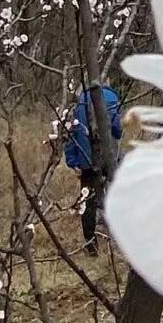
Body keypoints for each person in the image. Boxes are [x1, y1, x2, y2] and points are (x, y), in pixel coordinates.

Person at [64, 85, 122, 255]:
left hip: (87, 158)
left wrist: (72, 160)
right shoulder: (112, 98)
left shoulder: (80, 102)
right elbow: (118, 131)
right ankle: (118, 241)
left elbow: (72, 132)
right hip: (110, 157)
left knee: (88, 203)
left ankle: (91, 247)